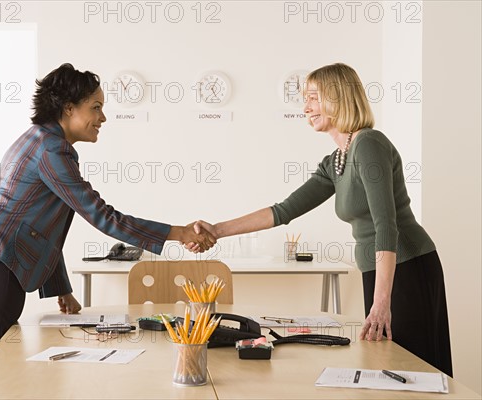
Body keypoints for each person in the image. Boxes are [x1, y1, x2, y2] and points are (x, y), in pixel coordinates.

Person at [0, 63, 215, 391]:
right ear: (68, 108)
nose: (102, 118)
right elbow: (102, 216)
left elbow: (38, 227)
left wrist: (61, 288)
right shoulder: (51, 150)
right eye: (96, 107)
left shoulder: (38, 142)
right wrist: (179, 233)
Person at [189, 63, 453, 377]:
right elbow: (283, 211)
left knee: (413, 368)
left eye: (314, 98)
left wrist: (382, 301)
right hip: (379, 270)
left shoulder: (368, 144)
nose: (306, 107)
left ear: (338, 97)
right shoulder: (336, 160)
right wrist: (216, 230)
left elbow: (386, 224)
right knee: (388, 366)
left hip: (407, 267)